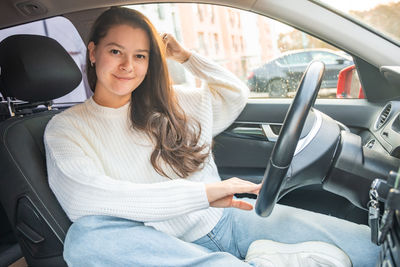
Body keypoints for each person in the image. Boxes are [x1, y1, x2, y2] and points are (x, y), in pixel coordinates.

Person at [44, 7, 379, 267]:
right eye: (115, 51)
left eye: (140, 55)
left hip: (230, 219)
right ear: (92, 52)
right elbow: (86, 200)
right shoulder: (66, 129)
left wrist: (185, 56)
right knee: (84, 240)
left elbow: (234, 93)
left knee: (373, 248)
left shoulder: (175, 102)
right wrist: (203, 194)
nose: (127, 65)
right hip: (164, 249)